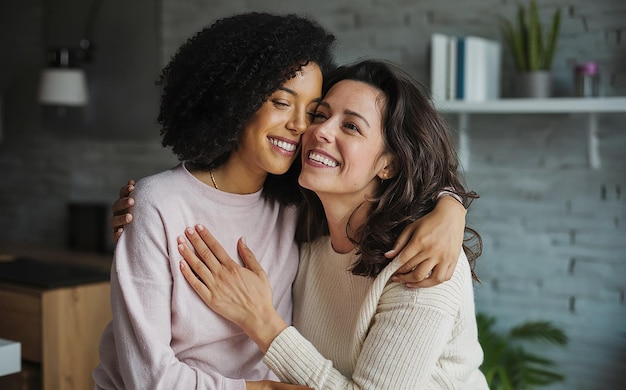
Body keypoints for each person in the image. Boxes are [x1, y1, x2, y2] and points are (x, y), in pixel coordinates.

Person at [95, 12, 467, 390]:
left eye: (314, 111)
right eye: (283, 103)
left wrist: (451, 205)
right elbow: (147, 378)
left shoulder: (308, 215)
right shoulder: (295, 215)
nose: (309, 128)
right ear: (237, 100)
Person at [177, 60, 488, 389]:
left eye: (351, 126)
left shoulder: (422, 265)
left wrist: (261, 322)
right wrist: (143, 207)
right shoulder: (304, 232)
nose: (319, 131)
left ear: (389, 164)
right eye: (320, 115)